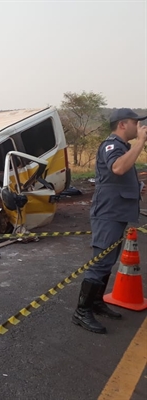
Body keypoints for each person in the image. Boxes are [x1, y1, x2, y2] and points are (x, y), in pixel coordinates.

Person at [72, 108, 147, 334]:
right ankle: (81, 311)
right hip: (108, 213)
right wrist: (141, 142)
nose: (139, 127)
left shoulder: (123, 148)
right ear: (123, 124)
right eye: (136, 123)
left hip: (117, 213)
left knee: (108, 261)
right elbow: (118, 167)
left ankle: (95, 302)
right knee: (100, 262)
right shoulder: (111, 146)